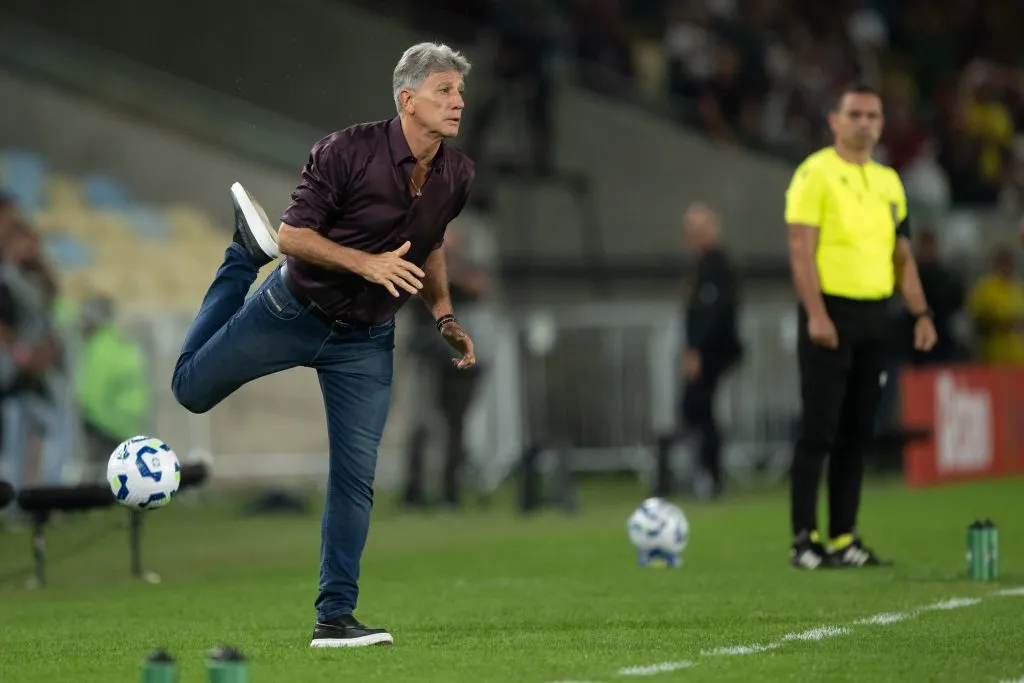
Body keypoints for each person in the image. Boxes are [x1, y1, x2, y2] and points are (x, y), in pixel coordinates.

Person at [170, 42, 478, 647]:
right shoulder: (346, 150)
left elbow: (432, 243)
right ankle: (240, 257)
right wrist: (365, 265)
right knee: (190, 391)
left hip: (366, 342)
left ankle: (334, 618)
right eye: (445, 91)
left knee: (355, 479)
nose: (458, 102)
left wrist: (443, 315)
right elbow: (292, 235)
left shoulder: (458, 173)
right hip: (293, 308)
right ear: (407, 99)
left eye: (461, 93)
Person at [784, 84, 937, 570]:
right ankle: (803, 540)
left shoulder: (889, 181)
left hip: (875, 316)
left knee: (856, 433)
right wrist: (816, 314)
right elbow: (800, 249)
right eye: (855, 114)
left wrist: (921, 313)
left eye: (873, 115)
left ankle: (844, 537)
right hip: (831, 313)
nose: (865, 123)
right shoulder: (814, 174)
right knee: (819, 430)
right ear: (834, 121)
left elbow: (903, 257)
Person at [401, 223, 491, 509]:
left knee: (455, 426)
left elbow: (481, 287)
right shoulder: (416, 260)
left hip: (458, 357)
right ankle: (414, 494)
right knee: (422, 423)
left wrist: (451, 272)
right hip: (426, 355)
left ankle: (449, 493)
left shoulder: (466, 267)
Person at [678, 203, 742, 499]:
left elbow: (713, 314)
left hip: (712, 351)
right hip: (704, 351)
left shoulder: (717, 266)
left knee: (699, 407)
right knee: (694, 408)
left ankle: (711, 475)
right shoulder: (702, 265)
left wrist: (697, 351)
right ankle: (704, 472)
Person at [966, 246, 1024, 366]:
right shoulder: (984, 288)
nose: (1007, 266)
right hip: (994, 359)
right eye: (1003, 262)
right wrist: (1003, 324)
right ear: (995, 264)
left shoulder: (1018, 287)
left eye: (1009, 262)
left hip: (1019, 360)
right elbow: (978, 324)